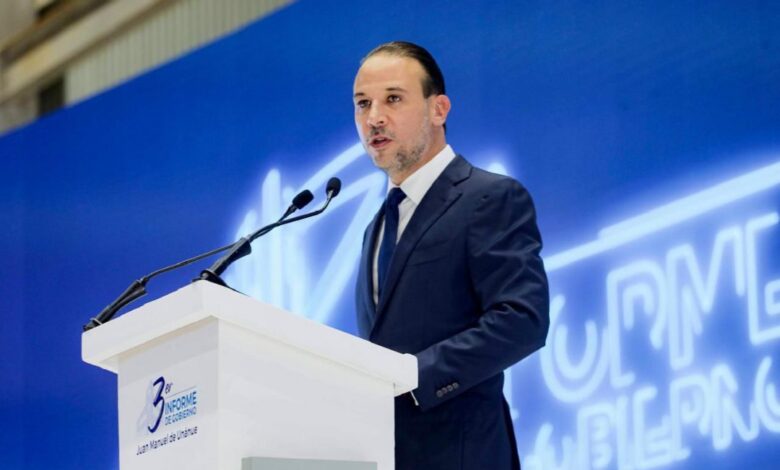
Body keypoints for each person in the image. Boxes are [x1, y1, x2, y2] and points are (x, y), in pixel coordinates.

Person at [353, 41, 550, 469]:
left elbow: (522, 320)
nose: (374, 118)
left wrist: (414, 377)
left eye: (393, 99)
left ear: (438, 109)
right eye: (363, 103)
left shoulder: (488, 197)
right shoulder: (376, 229)